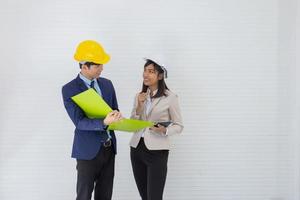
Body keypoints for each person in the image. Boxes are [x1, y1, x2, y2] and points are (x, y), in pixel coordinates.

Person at [62, 40, 122, 200]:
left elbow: (115, 109)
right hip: (87, 152)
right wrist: (103, 122)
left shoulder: (107, 84)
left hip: (109, 149)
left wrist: (117, 116)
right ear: (84, 66)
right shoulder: (70, 89)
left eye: (102, 64)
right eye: (97, 66)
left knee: (105, 195)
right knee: (84, 195)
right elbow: (79, 122)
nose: (102, 69)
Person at [129, 58, 184, 200]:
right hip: (137, 149)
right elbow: (133, 123)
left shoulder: (170, 97)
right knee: (144, 196)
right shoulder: (139, 96)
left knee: (154, 197)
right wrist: (139, 106)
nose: (145, 75)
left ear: (160, 76)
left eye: (151, 71)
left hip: (157, 152)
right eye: (145, 71)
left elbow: (179, 125)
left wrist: (164, 131)